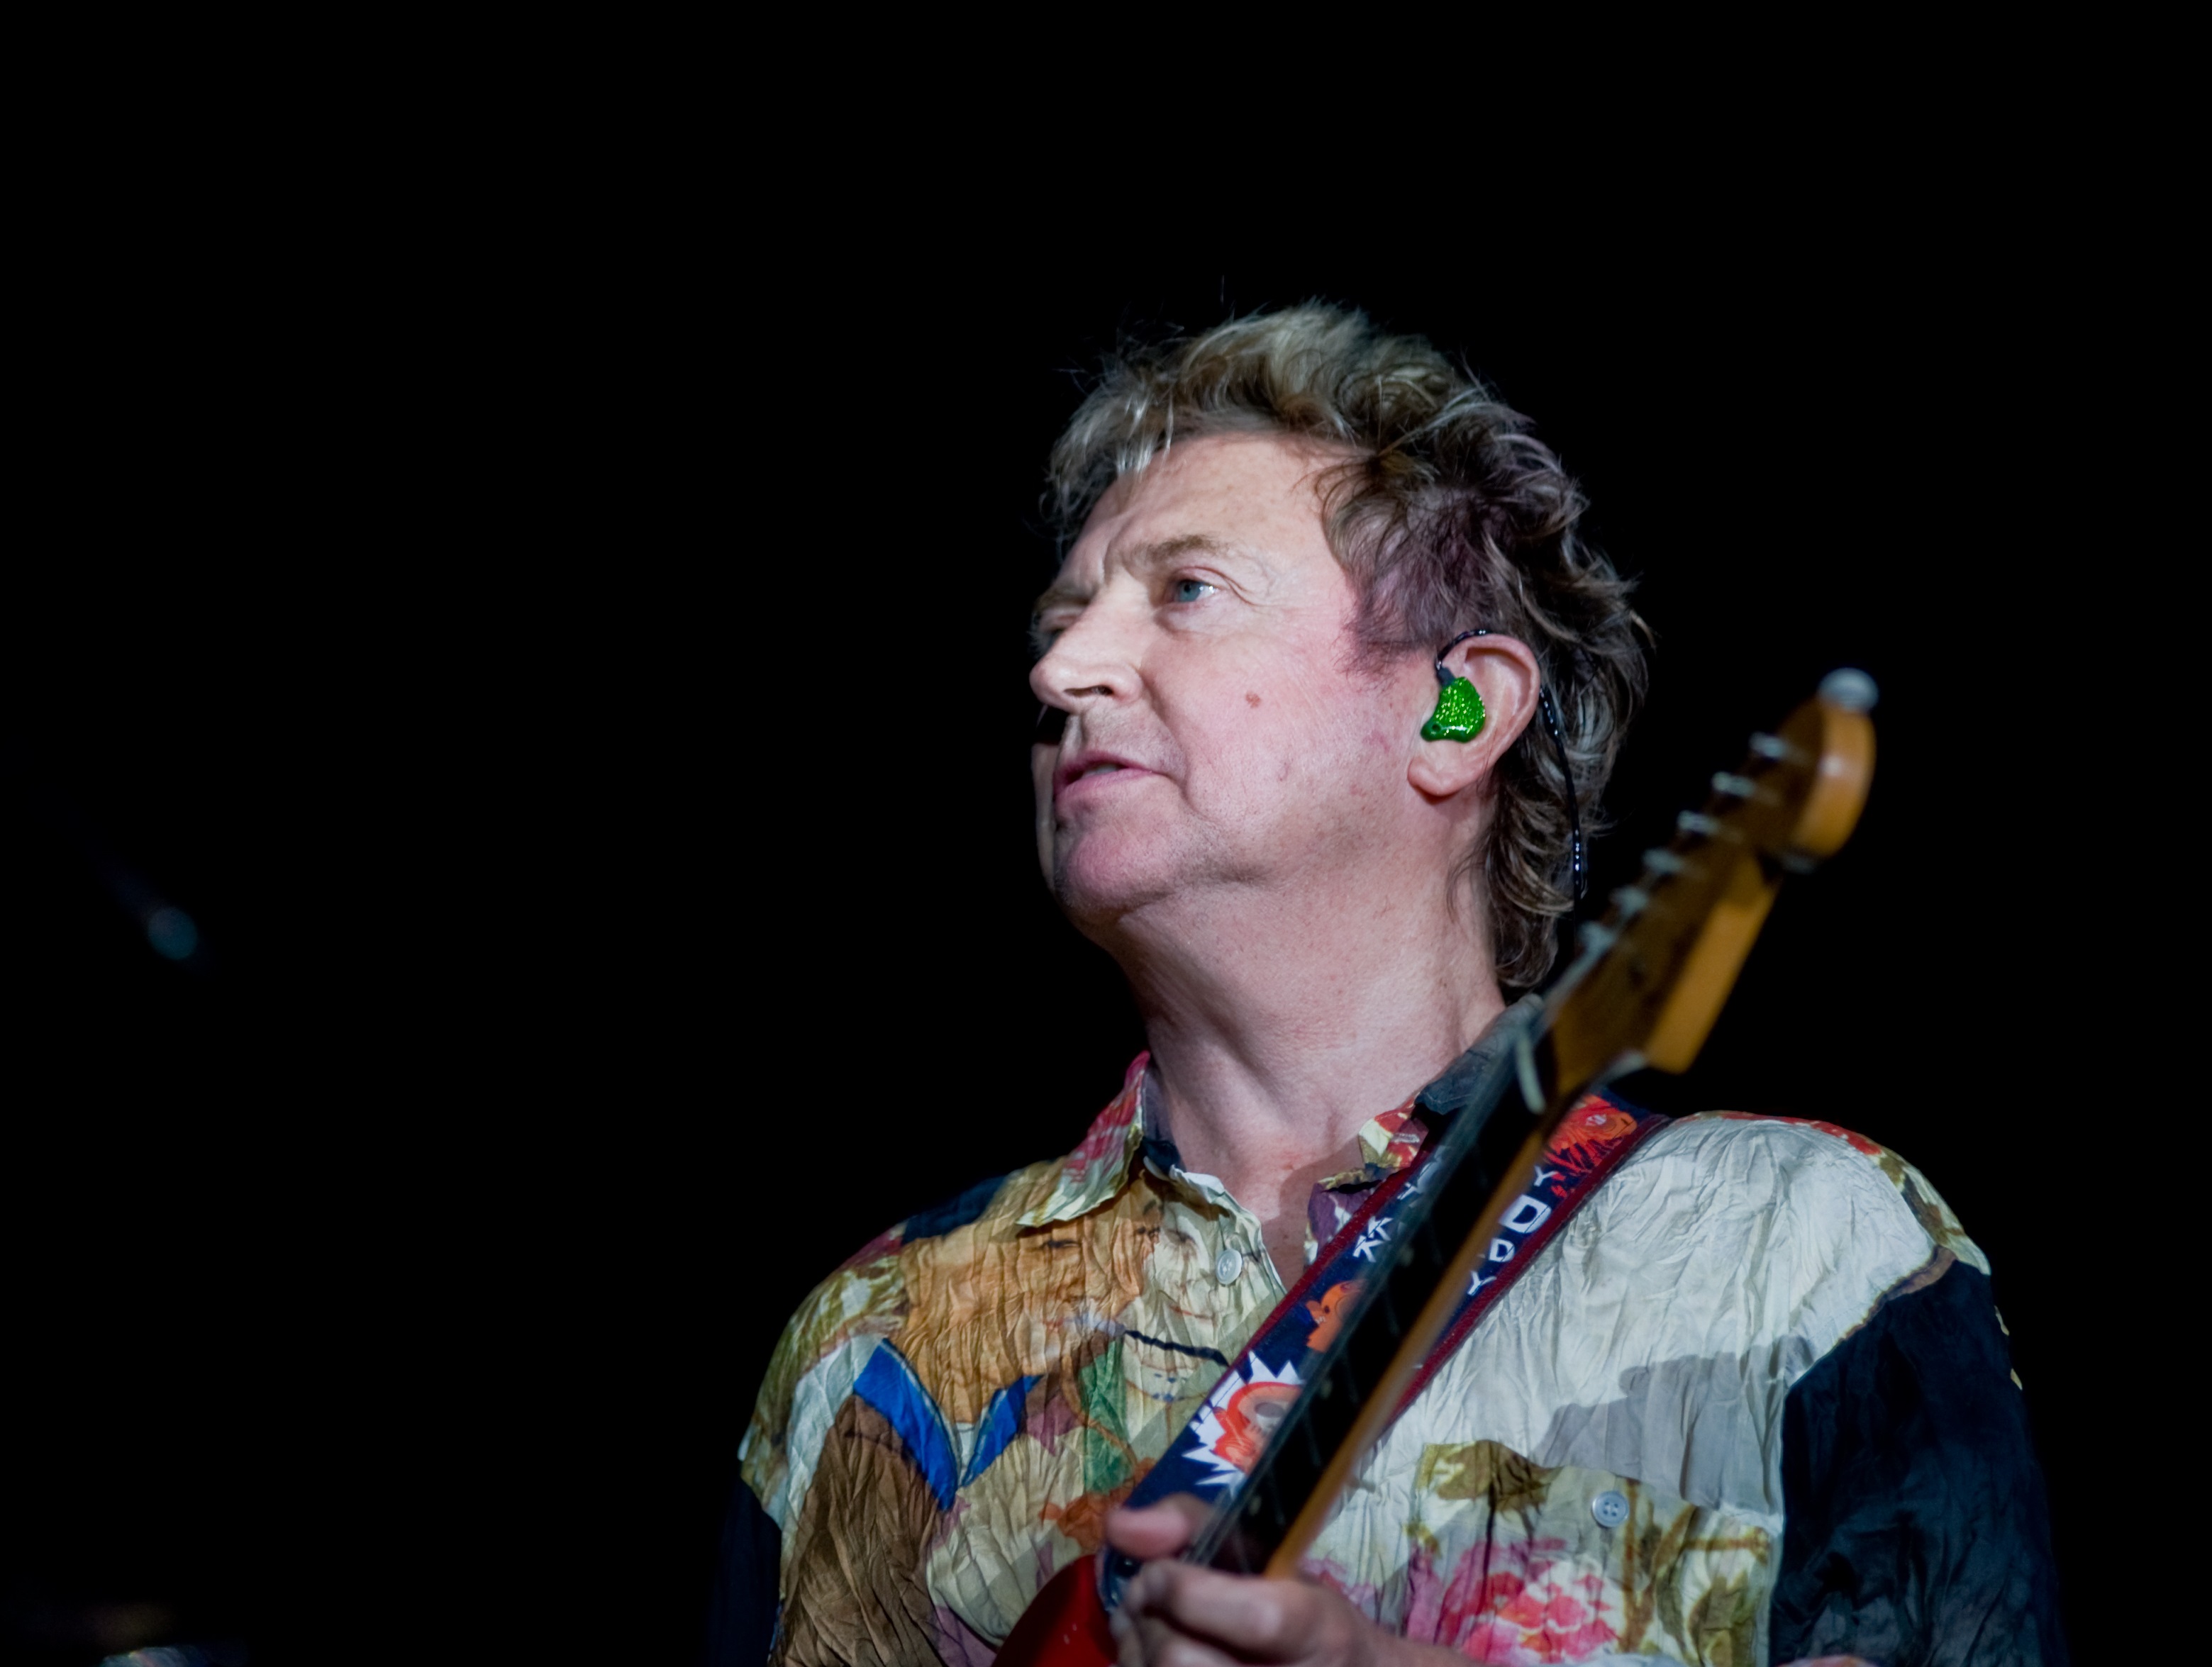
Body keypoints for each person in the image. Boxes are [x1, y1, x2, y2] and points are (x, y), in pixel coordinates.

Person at [710, 306, 2066, 1666]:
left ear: (1454, 712)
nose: (1060, 674)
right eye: (1064, 622)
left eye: (1187, 592)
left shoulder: (1800, 1242)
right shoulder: (873, 1342)